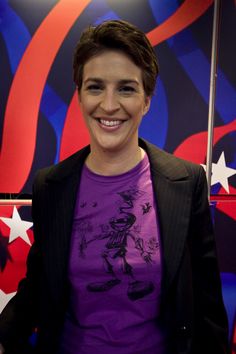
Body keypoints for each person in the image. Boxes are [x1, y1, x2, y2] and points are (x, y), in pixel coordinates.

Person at [0, 19, 229, 354]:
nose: (108, 105)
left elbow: (207, 307)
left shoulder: (186, 182)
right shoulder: (51, 185)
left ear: (147, 99)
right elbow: (38, 288)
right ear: (78, 95)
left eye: (126, 88)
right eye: (95, 87)